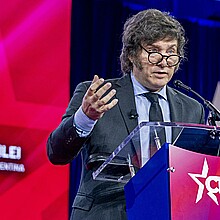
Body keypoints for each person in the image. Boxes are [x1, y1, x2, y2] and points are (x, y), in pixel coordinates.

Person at [47, 9, 205, 220]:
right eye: (153, 51)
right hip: (105, 214)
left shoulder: (193, 108)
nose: (163, 61)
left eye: (171, 52)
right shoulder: (97, 94)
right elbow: (56, 153)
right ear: (131, 54)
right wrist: (86, 117)